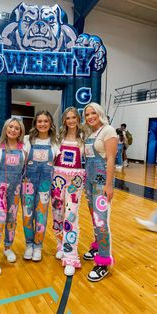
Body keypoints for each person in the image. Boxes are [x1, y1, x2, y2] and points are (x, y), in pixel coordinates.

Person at [82, 102, 117, 282]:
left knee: (101, 220)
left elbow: (111, 158)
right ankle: (97, 246)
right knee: (94, 217)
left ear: (99, 113)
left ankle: (103, 261)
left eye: (93, 113)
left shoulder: (108, 130)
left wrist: (109, 185)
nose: (90, 117)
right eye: (87, 114)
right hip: (89, 181)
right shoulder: (90, 134)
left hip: (102, 181)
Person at [0, 118, 26, 275]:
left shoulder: (24, 150)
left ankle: (8, 247)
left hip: (15, 190)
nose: (13, 130)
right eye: (11, 126)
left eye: (17, 128)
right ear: (5, 128)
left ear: (21, 131)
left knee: (12, 220)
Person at [51, 107, 85, 276]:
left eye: (73, 117)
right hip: (57, 180)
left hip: (75, 184)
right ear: (64, 120)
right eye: (67, 118)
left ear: (78, 119)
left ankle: (71, 255)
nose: (71, 120)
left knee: (71, 216)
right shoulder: (58, 138)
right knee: (57, 213)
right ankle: (60, 245)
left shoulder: (84, 139)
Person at [22, 110, 59, 262]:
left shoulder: (56, 142)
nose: (42, 124)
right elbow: (21, 161)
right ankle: (28, 244)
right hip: (27, 183)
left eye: (46, 121)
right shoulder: (27, 140)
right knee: (27, 215)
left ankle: (38, 246)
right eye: (39, 121)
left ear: (50, 124)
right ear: (35, 123)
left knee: (42, 215)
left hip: (45, 184)